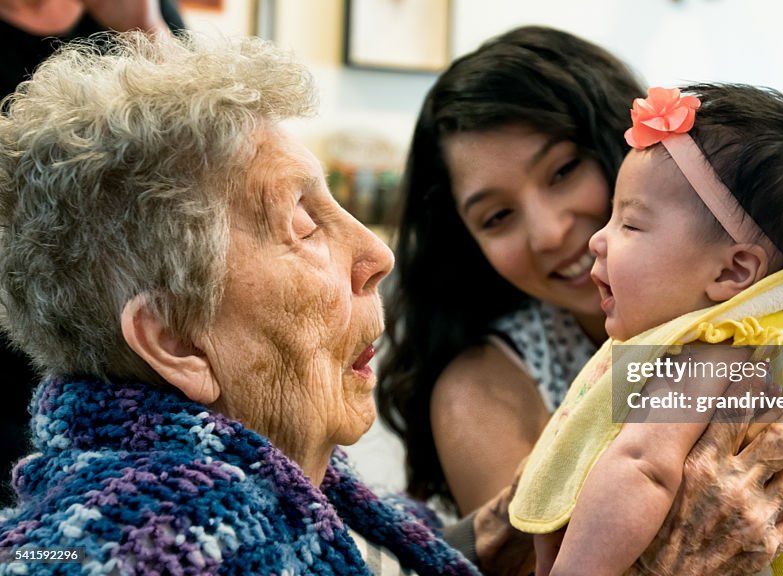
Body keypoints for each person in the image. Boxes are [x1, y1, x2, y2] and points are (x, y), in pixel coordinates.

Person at [378, 25, 783, 573]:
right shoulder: (480, 389)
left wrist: (778, 521)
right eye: (497, 217)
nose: (552, 233)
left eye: (563, 171)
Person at [0, 30, 485, 574]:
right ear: (177, 339)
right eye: (302, 226)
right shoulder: (172, 536)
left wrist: (487, 532)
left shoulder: (262, 484)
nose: (377, 254)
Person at [508, 83, 783, 576]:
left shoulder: (711, 352)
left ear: (731, 273)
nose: (598, 239)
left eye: (630, 224)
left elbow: (643, 468)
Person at [0, 0, 185, 507]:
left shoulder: (138, 16)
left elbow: (205, 148)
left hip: (122, 342)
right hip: (11, 333)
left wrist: (143, 29)